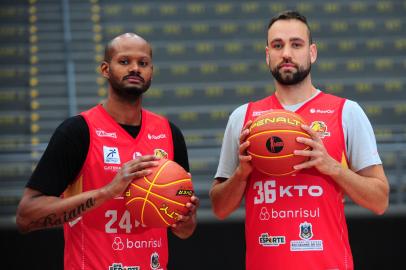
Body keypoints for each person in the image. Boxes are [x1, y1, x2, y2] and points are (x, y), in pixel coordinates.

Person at [209, 10, 389, 270]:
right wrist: (241, 174)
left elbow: (380, 201)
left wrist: (333, 167)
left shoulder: (347, 111)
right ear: (267, 54)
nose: (286, 54)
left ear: (312, 52)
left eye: (296, 44)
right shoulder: (243, 118)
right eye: (277, 45)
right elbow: (220, 208)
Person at [16, 33, 199, 270]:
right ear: (105, 69)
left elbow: (185, 231)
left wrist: (184, 217)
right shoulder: (77, 132)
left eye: (142, 63)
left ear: (151, 71)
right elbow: (26, 217)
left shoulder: (170, 134)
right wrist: (108, 191)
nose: (135, 68)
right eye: (124, 61)